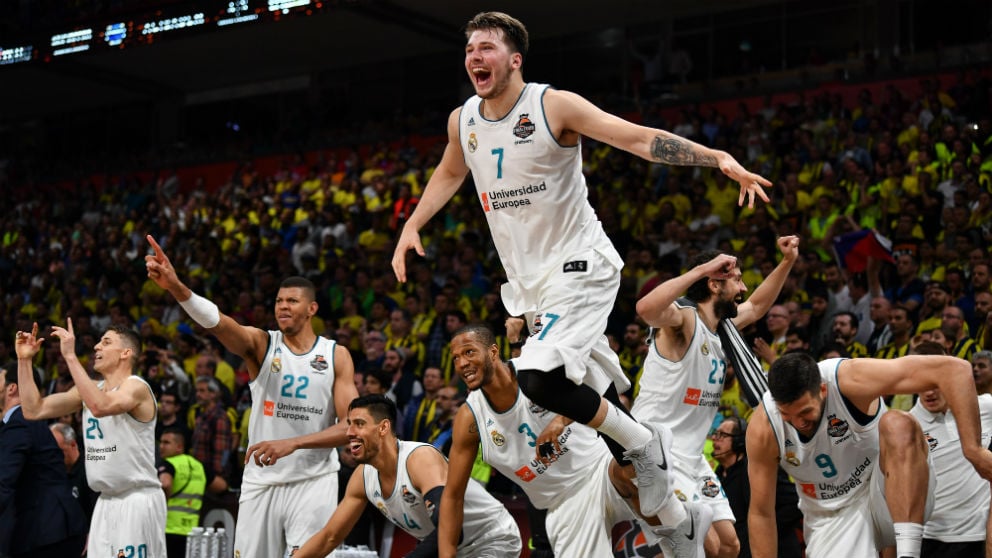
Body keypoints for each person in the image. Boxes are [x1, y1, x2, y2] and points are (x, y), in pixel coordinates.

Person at [391, 10, 771, 519]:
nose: (474, 58)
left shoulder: (553, 105)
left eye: (486, 48)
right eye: (469, 50)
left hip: (580, 266)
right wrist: (412, 224)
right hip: (530, 285)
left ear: (514, 59)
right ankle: (673, 525)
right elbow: (450, 169)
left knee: (538, 379)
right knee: (599, 389)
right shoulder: (464, 119)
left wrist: (715, 156)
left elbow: (637, 138)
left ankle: (642, 445)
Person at [145, 235, 359, 557]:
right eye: (278, 301)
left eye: (292, 301)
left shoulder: (335, 355)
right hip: (262, 480)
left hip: (314, 480)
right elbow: (218, 324)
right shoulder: (261, 344)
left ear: (311, 308)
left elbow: (351, 426)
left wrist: (293, 443)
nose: (283, 307)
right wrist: (177, 288)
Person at [440, 324, 711, 558]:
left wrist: (561, 419)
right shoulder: (470, 419)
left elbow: (597, 387)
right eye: (455, 358)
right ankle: (680, 521)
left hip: (598, 467)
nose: (462, 363)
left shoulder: (536, 370)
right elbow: (452, 495)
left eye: (469, 352)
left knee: (632, 468)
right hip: (563, 504)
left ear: (493, 352)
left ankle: (677, 527)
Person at [631, 236, 799, 557]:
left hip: (693, 458)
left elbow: (760, 306)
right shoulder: (684, 318)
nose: (744, 288)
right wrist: (702, 268)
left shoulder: (723, 327)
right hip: (660, 452)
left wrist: (787, 261)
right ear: (714, 284)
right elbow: (645, 308)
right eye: (737, 280)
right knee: (703, 544)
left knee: (729, 546)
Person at [747, 352, 992, 558]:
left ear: (822, 390)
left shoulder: (848, 378)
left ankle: (908, 553)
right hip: (830, 513)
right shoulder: (764, 426)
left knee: (898, 422)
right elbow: (761, 512)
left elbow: (954, 370)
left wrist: (973, 450)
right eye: (787, 416)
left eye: (805, 412)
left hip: (886, 484)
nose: (798, 423)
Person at [292, 394, 520, 557]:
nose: (350, 432)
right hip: (450, 547)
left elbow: (450, 528)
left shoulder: (419, 459)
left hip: (490, 539)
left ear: (383, 428)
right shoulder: (363, 477)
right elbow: (330, 537)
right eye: (349, 424)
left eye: (359, 424)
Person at [15, 322, 167, 557]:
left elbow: (100, 406)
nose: (97, 346)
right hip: (104, 503)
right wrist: (24, 361)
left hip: (136, 500)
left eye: (106, 342)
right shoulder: (88, 390)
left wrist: (70, 356)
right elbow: (33, 410)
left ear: (126, 353)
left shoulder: (136, 387)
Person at [907, 341, 992, 557]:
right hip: (929, 538)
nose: (928, 392)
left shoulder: (984, 407)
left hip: (978, 538)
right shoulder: (907, 424)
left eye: (934, 383)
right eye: (921, 383)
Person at [0, 361, 87, 558]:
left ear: (11, 388)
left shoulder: (19, 422)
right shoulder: (24, 423)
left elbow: (3, 480)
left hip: (45, 532)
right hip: (53, 528)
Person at [711, 417, 802, 558]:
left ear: (739, 441)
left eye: (723, 435)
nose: (715, 439)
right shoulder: (716, 476)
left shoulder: (758, 469)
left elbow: (794, 502)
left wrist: (762, 530)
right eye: (715, 434)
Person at [157, 427, 207, 558]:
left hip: (169, 528)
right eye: (160, 442)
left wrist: (162, 504)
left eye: (166, 443)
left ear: (179, 447)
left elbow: (166, 483)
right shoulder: (199, 465)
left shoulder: (168, 464)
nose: (161, 446)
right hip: (192, 531)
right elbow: (221, 485)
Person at [50, 422, 98, 523]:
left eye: (58, 451)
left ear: (73, 444)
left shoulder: (90, 469)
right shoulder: (52, 472)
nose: (53, 457)